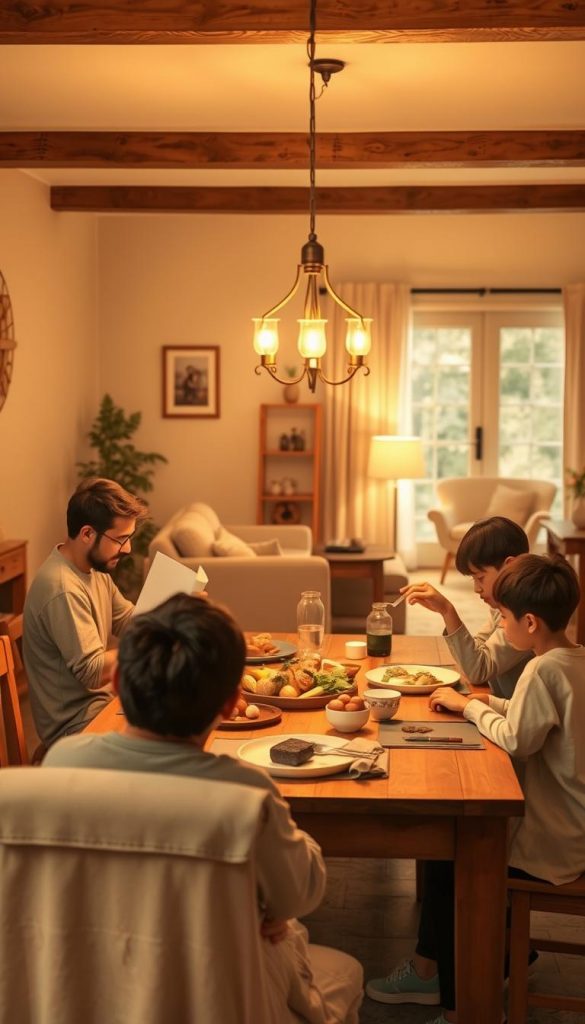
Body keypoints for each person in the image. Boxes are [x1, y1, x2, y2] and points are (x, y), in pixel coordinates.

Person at [44, 592, 363, 1024]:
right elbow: (300, 892)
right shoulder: (245, 797)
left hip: (86, 994)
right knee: (345, 969)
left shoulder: (61, 764)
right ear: (232, 704)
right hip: (219, 1000)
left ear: (117, 683)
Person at [367, 553, 585, 1024]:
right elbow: (539, 720)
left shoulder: (541, 670)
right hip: (576, 827)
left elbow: (518, 739)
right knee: (452, 850)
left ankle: (466, 1006)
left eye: (504, 617)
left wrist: (470, 709)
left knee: (455, 853)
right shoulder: (575, 660)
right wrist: (487, 700)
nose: (500, 624)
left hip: (555, 844)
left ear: (529, 621)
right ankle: (474, 968)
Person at [23, 477, 148, 747]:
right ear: (87, 534)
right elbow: (92, 671)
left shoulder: (93, 570)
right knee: (167, 740)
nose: (128, 549)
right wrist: (149, 645)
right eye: (120, 539)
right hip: (74, 728)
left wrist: (176, 612)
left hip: (100, 706)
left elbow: (128, 621)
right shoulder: (62, 588)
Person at [401, 515, 531, 698]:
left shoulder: (523, 614)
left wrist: (447, 610)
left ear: (510, 566)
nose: (477, 588)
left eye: (480, 578)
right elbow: (477, 648)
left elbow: (478, 670)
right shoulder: (502, 606)